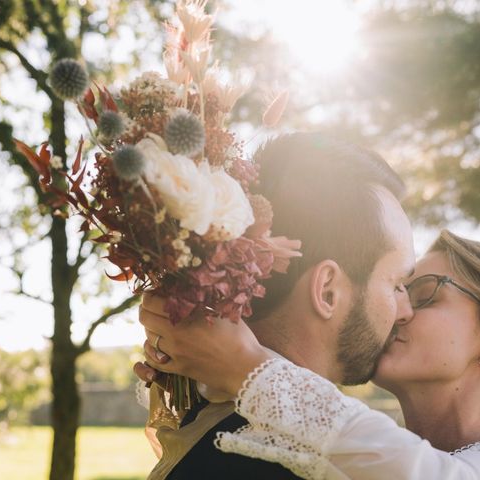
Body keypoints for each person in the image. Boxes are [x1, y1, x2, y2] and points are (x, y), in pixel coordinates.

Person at [137, 230, 480, 480]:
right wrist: (198, 365)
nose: (400, 309)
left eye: (425, 294)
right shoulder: (365, 451)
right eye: (398, 288)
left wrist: (244, 366)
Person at [134, 132, 416, 479]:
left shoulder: (212, 428)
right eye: (397, 284)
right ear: (327, 291)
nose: (406, 311)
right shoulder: (294, 465)